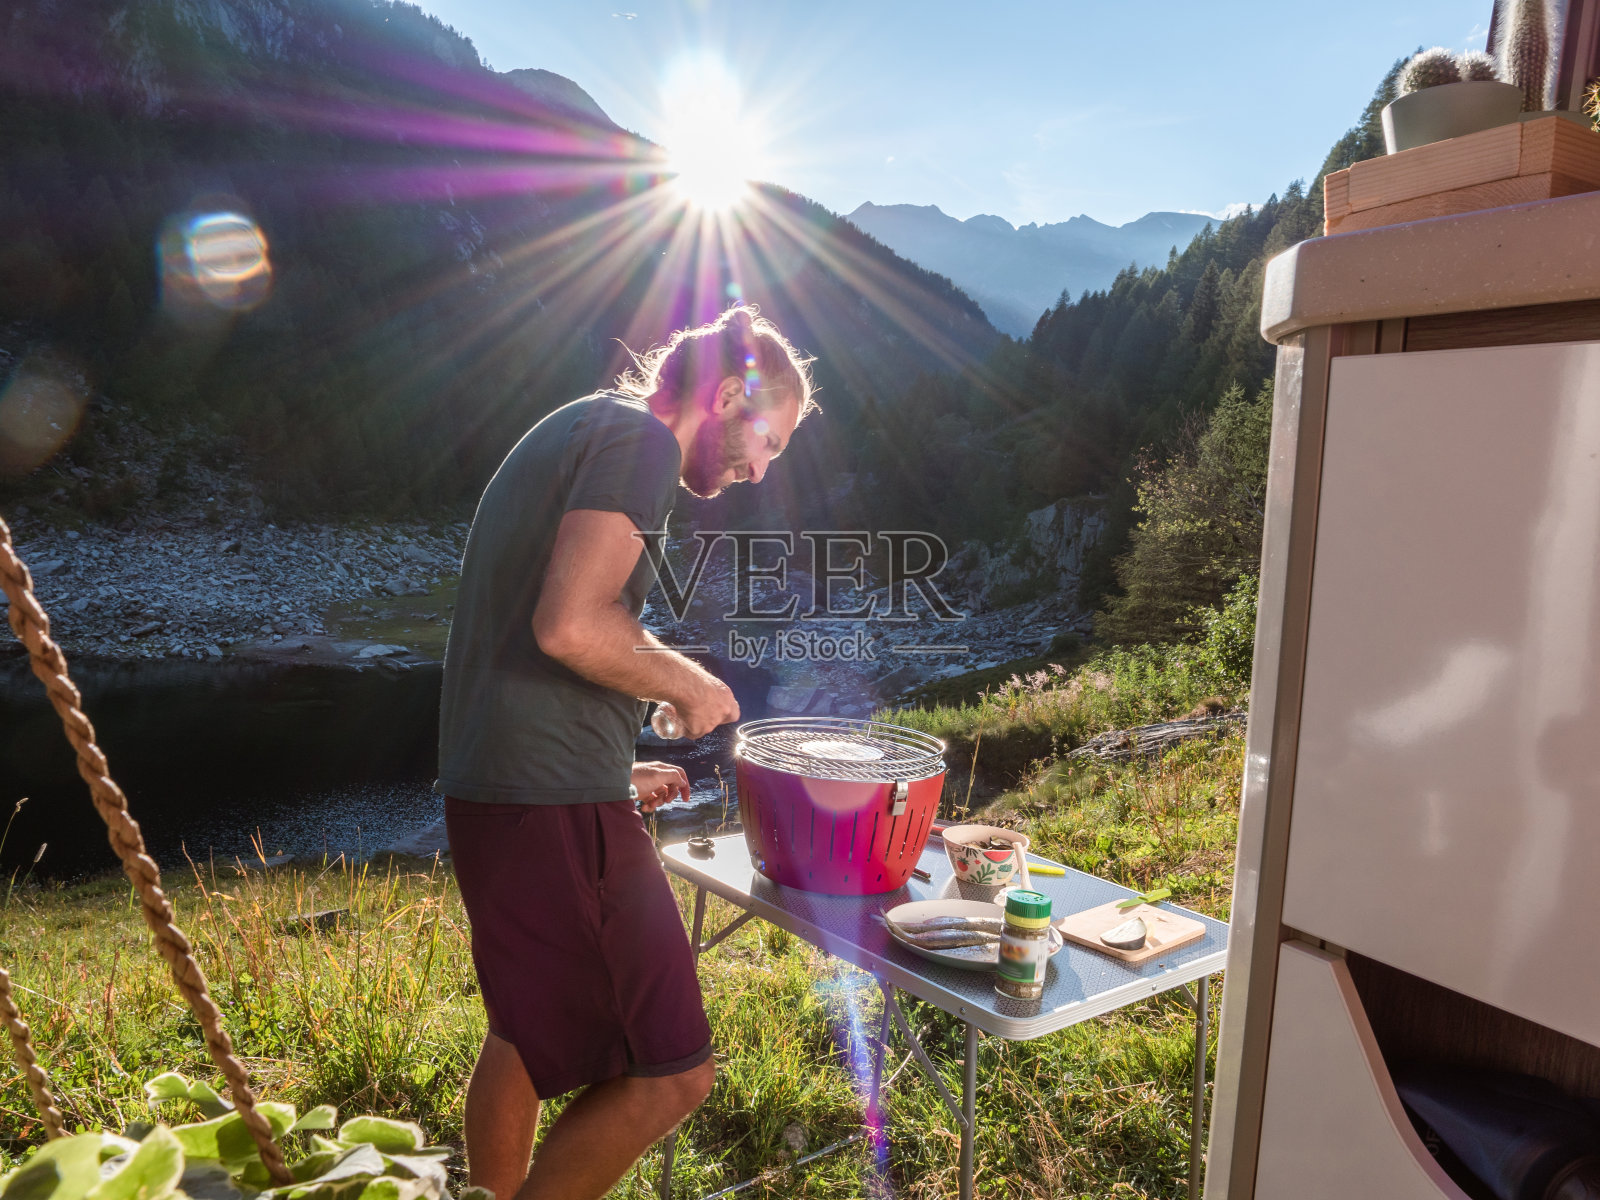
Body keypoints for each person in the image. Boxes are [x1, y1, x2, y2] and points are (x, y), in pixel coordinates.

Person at [436, 305, 816, 1200]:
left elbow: (542, 634)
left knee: (522, 1036)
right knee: (673, 1071)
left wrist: (617, 767)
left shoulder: (585, 427)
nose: (759, 469)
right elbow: (571, 625)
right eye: (767, 441)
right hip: (546, 800)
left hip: (511, 785)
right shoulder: (639, 443)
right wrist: (692, 688)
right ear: (727, 395)